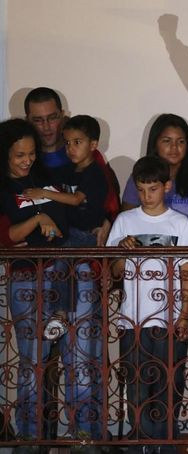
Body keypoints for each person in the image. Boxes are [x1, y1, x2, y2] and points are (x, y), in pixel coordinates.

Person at [20, 114, 108, 445]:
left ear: (94, 146)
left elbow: (75, 200)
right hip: (70, 237)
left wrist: (43, 192)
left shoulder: (95, 174)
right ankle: (59, 313)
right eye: (68, 143)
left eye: (78, 143)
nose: (71, 149)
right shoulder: (68, 171)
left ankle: (59, 314)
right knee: (60, 263)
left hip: (83, 237)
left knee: (64, 258)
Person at [106, 155, 188, 454]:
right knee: (135, 387)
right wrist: (122, 249)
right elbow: (115, 271)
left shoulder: (180, 224)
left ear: (166, 186)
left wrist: (184, 317)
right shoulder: (125, 221)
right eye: (142, 189)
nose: (147, 196)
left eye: (153, 189)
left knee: (169, 386)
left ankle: (165, 446)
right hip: (132, 318)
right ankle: (140, 445)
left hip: (170, 319)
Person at [0, 118, 68, 450]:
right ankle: (29, 435)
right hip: (25, 279)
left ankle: (44, 432)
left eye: (30, 153)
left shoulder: (44, 181)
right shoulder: (2, 190)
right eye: (18, 155)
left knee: (53, 358)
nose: (26, 160)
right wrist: (38, 219)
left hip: (56, 274)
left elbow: (66, 221)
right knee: (32, 360)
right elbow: (6, 237)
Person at [24, 87, 120, 246]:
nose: (46, 127)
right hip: (40, 246)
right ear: (28, 120)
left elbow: (109, 202)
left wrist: (108, 221)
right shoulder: (23, 159)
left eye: (52, 118)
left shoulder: (88, 158)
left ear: (62, 115)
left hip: (82, 242)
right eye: (38, 120)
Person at [121, 113, 188, 246]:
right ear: (155, 144)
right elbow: (126, 223)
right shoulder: (138, 178)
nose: (174, 147)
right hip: (144, 254)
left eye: (181, 141)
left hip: (184, 255)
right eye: (167, 141)